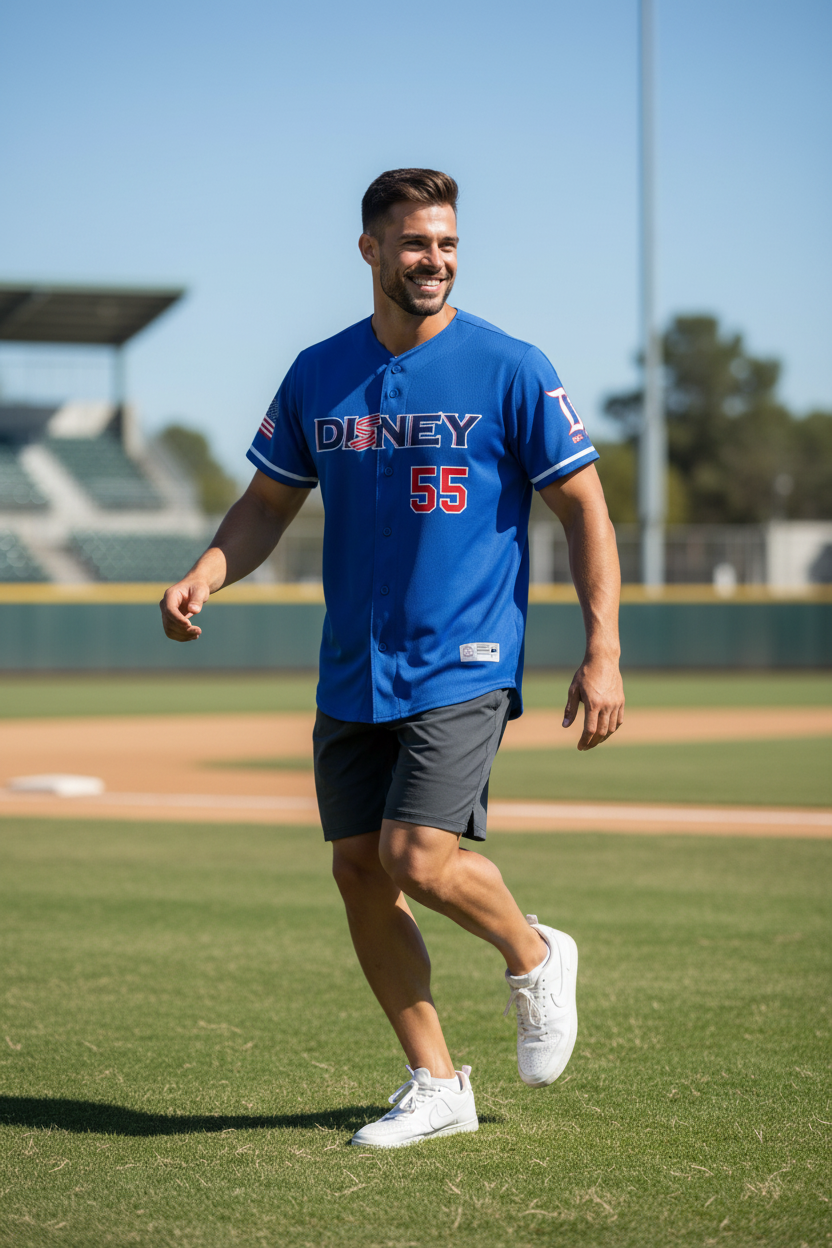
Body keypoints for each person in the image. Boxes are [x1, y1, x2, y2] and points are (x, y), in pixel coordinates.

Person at [161, 168, 624, 1150]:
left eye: (448, 244)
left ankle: (534, 954)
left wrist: (602, 647)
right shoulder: (317, 372)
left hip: (464, 656)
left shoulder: (510, 366)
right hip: (352, 665)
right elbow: (268, 502)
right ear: (370, 250)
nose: (435, 261)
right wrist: (208, 569)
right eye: (416, 244)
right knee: (360, 874)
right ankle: (435, 1082)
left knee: (417, 856)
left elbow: (582, 504)